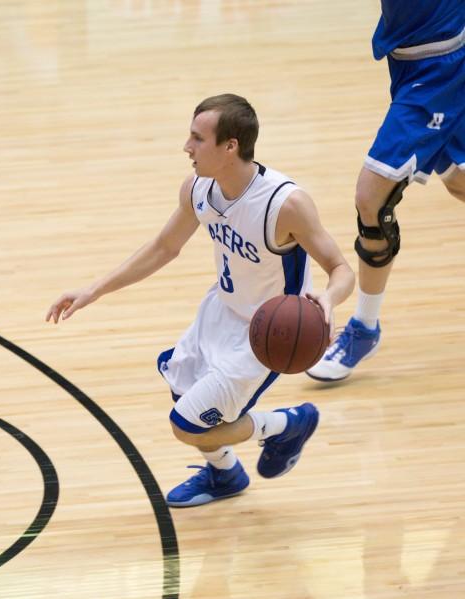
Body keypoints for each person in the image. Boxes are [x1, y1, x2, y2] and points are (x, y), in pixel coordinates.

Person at [46, 94, 354, 507]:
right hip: (221, 310)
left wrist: (329, 299)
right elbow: (163, 247)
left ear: (230, 147)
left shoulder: (285, 204)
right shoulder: (199, 188)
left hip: (266, 333)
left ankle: (285, 425)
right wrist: (93, 289)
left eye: (197, 138)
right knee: (183, 393)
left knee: (187, 425)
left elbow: (342, 269)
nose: (186, 147)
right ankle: (225, 475)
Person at [307, 1, 465, 382]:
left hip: (443, 66)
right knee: (459, 180)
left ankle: (364, 327)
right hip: (410, 60)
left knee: (371, 198)